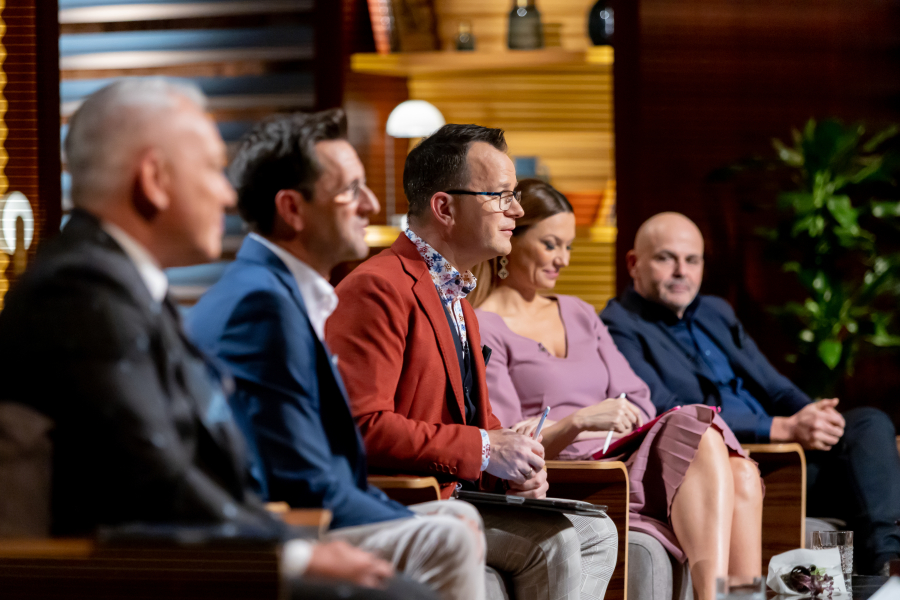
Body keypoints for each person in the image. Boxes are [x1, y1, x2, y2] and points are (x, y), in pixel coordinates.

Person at [0, 78, 435, 600]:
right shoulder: (81, 289)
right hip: (131, 573)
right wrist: (295, 553)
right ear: (154, 180)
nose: (228, 195)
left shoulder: (120, 284)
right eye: (210, 168)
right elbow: (154, 473)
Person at [187, 110, 486, 600]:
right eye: (351, 190)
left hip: (301, 508)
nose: (371, 204)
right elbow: (303, 478)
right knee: (449, 536)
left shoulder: (277, 290)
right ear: (292, 209)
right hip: (269, 530)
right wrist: (406, 517)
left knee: (455, 518)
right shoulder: (261, 304)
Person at [327, 124, 618, 600]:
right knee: (555, 541)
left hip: (459, 494)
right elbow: (360, 426)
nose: (516, 210)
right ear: (444, 208)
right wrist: (486, 448)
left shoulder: (457, 295)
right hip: (404, 502)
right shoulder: (377, 286)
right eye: (501, 196)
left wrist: (514, 464)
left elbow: (465, 420)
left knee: (598, 532)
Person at [470, 180, 763, 600]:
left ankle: (742, 597)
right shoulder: (484, 325)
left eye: (568, 247)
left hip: (624, 455)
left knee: (743, 473)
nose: (563, 259)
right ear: (511, 240)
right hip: (577, 474)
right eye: (551, 245)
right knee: (698, 429)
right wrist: (578, 422)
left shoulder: (579, 312)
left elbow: (639, 400)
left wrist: (611, 421)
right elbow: (511, 442)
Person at [600, 211, 900, 575]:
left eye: (692, 260)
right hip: (740, 461)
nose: (682, 271)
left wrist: (813, 416)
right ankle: (885, 568)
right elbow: (668, 411)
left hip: (791, 450)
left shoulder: (715, 312)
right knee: (872, 472)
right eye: (666, 258)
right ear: (634, 263)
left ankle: (888, 567)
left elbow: (774, 385)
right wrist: (781, 428)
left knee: (868, 423)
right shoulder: (617, 325)